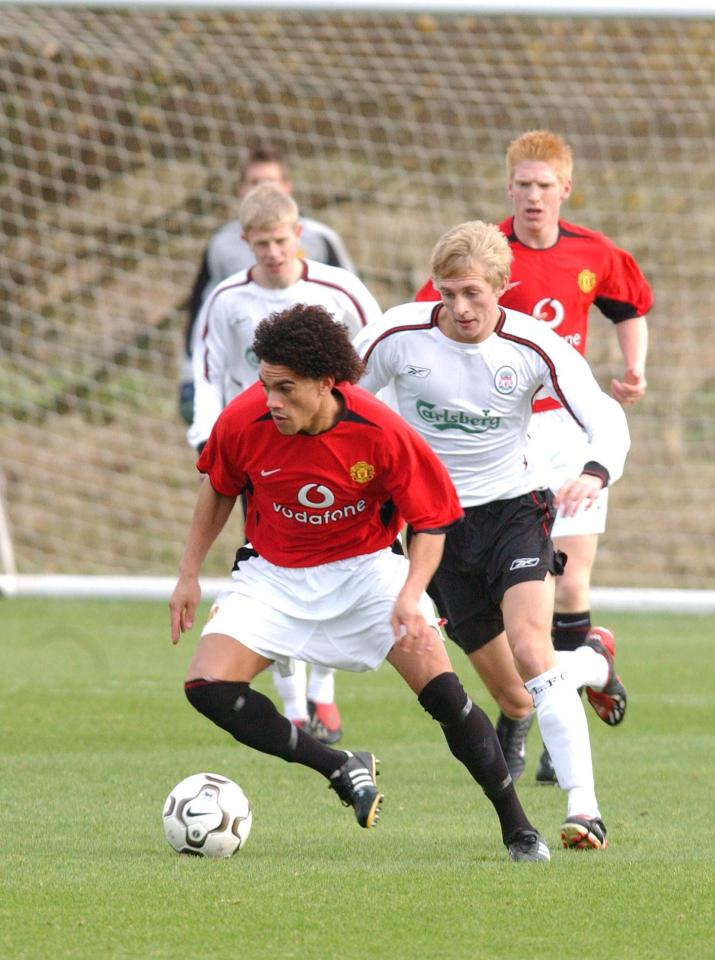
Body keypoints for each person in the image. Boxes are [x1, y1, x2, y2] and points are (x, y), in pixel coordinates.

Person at [169, 304, 550, 862]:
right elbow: (219, 487)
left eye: (286, 388)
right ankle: (338, 765)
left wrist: (410, 595)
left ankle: (517, 827)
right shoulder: (244, 419)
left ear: (326, 384)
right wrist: (188, 574)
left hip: (368, 571)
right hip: (272, 573)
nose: (271, 400)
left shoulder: (382, 432)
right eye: (265, 384)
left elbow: (433, 520)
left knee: (446, 697)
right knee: (207, 687)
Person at [355, 220, 631, 849]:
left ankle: (584, 809)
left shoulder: (535, 346)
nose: (460, 308)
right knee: (514, 697)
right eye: (448, 293)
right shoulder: (398, 335)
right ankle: (592, 660)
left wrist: (594, 470)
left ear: (502, 287)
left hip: (513, 508)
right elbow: (341, 402)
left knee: (534, 651)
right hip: (435, 528)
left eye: (474, 293)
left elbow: (604, 417)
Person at [415, 130, 652, 784]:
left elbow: (629, 306)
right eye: (521, 184)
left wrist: (633, 367)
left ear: (564, 189)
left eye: (544, 185)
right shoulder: (483, 259)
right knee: (501, 613)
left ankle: (552, 725)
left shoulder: (592, 252)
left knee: (570, 584)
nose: (532, 196)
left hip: (569, 432)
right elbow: (422, 323)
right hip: (502, 437)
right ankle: (531, 703)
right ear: (507, 188)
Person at [188, 182, 382, 744]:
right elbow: (208, 370)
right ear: (244, 243)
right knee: (274, 564)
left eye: (280, 240)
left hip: (334, 447)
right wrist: (206, 432)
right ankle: (295, 708)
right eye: (260, 244)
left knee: (336, 555)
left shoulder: (340, 290)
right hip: (261, 448)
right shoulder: (226, 299)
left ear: (299, 235)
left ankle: (324, 693)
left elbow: (372, 361)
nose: (272, 253)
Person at [179, 145, 355, 425]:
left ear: (287, 186)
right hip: (248, 380)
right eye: (254, 183)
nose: (272, 253)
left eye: (271, 182)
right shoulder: (221, 244)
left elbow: (351, 307)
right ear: (240, 189)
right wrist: (191, 372)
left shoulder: (320, 239)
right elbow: (202, 311)